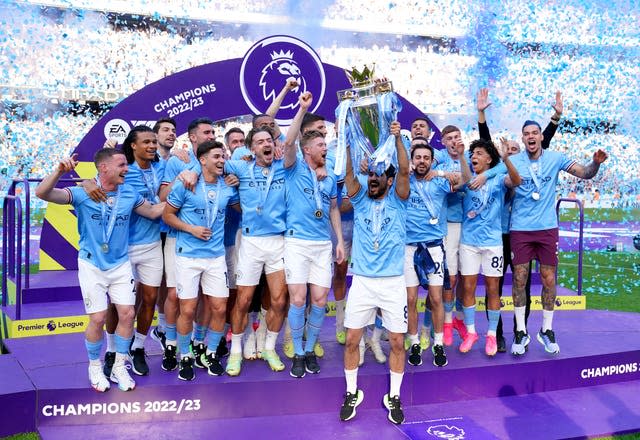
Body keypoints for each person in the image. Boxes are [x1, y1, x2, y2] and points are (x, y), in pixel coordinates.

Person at [35, 149, 164, 392]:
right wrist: (59, 171)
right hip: (92, 264)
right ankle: (95, 365)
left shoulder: (129, 193)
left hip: (120, 263)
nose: (127, 169)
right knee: (98, 318)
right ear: (104, 168)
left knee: (127, 314)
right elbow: (42, 193)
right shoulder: (85, 193)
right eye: (122, 165)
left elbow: (153, 211)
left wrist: (183, 192)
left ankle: (118, 364)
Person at [473, 89, 563, 352]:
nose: (512, 153)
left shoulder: (529, 162)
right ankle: (498, 334)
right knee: (498, 286)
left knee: (524, 283)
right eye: (509, 151)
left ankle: (521, 331)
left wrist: (556, 118)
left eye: (515, 149)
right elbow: (487, 143)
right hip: (501, 234)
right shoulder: (502, 168)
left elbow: (541, 140)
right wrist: (481, 115)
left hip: (523, 232)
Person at [509, 120, 607, 355]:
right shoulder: (513, 161)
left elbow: (584, 173)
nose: (531, 137)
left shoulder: (555, 158)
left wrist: (595, 162)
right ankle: (521, 332)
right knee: (520, 279)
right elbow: (501, 182)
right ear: (522, 139)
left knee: (549, 279)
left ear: (541, 137)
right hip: (520, 228)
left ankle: (546, 329)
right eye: (526, 134)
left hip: (547, 228)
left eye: (534, 133)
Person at [339, 121, 410, 425]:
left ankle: (393, 395)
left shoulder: (399, 199)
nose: (372, 179)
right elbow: (349, 174)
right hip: (364, 282)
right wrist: (348, 137)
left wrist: (396, 139)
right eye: (371, 174)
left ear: (389, 180)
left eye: (378, 175)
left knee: (396, 341)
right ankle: (352, 392)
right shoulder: (358, 200)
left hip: (393, 282)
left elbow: (405, 171)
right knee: (352, 339)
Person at [162, 140, 239, 380]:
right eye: (216, 156)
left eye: (223, 157)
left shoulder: (228, 187)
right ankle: (185, 355)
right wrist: (191, 229)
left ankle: (211, 351)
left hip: (216, 258)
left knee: (219, 308)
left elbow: (242, 208)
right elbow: (167, 216)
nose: (221, 160)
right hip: (188, 257)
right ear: (202, 160)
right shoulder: (186, 185)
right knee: (188, 309)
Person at [283, 93, 344, 378]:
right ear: (308, 150)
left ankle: (309, 348)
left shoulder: (329, 174)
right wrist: (303, 109)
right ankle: (296, 350)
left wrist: (339, 241)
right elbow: (289, 141)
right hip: (296, 242)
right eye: (320, 144)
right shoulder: (293, 167)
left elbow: (333, 208)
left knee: (319, 299)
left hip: (322, 244)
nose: (325, 147)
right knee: (297, 300)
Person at [224, 126, 289, 376]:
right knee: (243, 299)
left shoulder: (284, 167)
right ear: (251, 148)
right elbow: (210, 163)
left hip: (278, 241)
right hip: (250, 242)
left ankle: (270, 347)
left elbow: (299, 148)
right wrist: (186, 166)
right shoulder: (240, 166)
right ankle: (236, 351)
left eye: (269, 140)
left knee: (279, 300)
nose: (266, 143)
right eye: (260, 141)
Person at [404, 139, 470, 368]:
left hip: (433, 248)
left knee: (435, 298)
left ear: (432, 161)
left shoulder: (439, 181)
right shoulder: (404, 181)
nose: (421, 161)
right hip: (409, 248)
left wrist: (443, 170)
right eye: (418, 158)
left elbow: (466, 180)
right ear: (412, 161)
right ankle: (413, 342)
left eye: (426, 158)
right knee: (410, 299)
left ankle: (438, 342)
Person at [158, 117, 216, 371]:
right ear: (192, 137)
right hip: (178, 236)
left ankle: (198, 341)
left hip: (207, 239)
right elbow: (162, 197)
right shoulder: (177, 160)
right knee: (174, 293)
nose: (212, 135)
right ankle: (171, 342)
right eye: (206, 132)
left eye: (213, 131)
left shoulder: (217, 158)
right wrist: (183, 176)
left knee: (203, 295)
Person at [458, 138, 521, 356]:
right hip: (469, 243)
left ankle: (492, 335)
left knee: (493, 289)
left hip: (493, 244)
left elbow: (516, 180)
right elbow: (464, 178)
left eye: (478, 153)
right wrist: (460, 156)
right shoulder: (468, 177)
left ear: (489, 159)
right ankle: (471, 332)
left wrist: (505, 159)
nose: (474, 156)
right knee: (468, 287)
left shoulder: (498, 180)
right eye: (472, 153)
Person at [150, 117, 177, 349]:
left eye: (173, 130)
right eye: (166, 130)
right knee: (150, 286)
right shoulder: (147, 161)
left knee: (169, 283)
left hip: (169, 229)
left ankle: (161, 328)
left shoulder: (178, 160)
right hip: (147, 231)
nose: (170, 133)